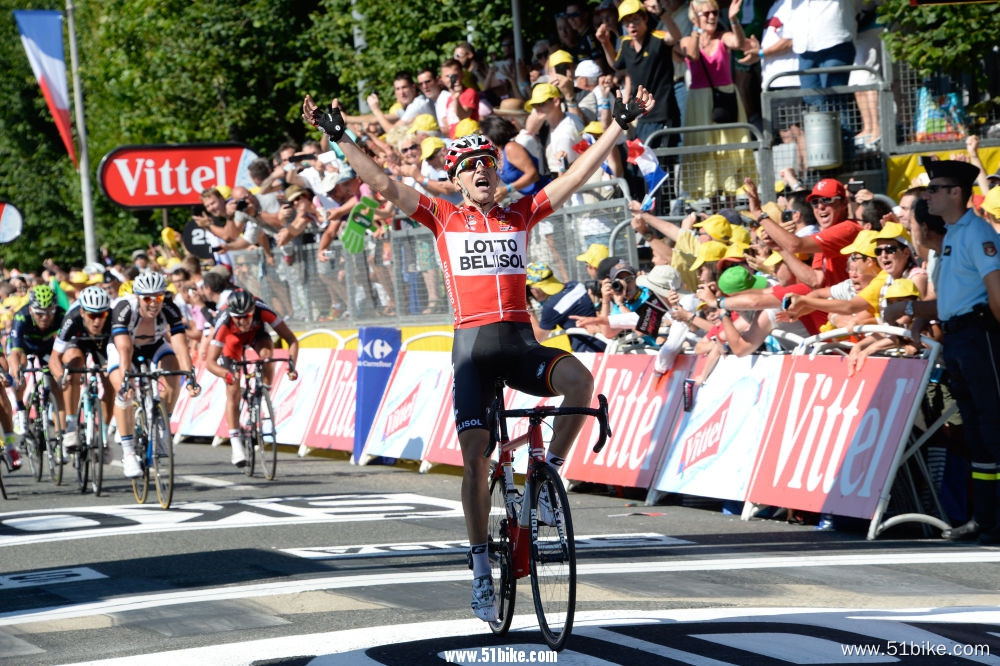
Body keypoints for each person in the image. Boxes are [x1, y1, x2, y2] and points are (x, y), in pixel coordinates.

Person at [303, 82, 653, 622]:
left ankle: (546, 481)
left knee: (581, 384)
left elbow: (576, 176)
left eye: (486, 163)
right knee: (474, 460)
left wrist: (619, 127)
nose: (480, 172)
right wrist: (341, 137)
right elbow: (381, 181)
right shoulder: (444, 217)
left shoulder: (521, 214)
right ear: (457, 179)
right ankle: (480, 570)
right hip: (470, 351)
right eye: (468, 168)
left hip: (518, 343)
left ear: (497, 170)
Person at [881, 160, 1000, 544]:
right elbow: (951, 301)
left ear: (956, 193)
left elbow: (995, 290)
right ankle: (985, 518)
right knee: (979, 435)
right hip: (961, 338)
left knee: (994, 426)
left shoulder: (977, 233)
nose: (928, 195)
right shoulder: (951, 236)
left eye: (936, 188)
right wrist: (914, 312)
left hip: (981, 337)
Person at [108, 272, 200, 478]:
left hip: (153, 344)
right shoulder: (124, 308)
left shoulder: (169, 308)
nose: (153, 303)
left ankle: (161, 425)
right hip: (124, 347)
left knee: (173, 369)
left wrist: (190, 375)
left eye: (158, 297)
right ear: (138, 297)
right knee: (124, 392)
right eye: (147, 298)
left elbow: (180, 345)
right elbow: (124, 349)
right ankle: (129, 452)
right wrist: (126, 379)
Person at [204, 289, 299, 467]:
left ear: (253, 311)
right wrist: (227, 374)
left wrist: (292, 365)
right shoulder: (224, 321)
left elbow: (291, 339)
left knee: (267, 356)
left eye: (246, 316)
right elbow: (210, 362)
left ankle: (264, 394)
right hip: (232, 341)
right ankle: (236, 444)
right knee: (232, 389)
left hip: (257, 336)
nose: (242, 321)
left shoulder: (264, 311)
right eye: (237, 318)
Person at [678, 0, 754, 200]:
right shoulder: (686, 40)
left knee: (728, 149)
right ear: (696, 17)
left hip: (725, 97)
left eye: (714, 12)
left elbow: (739, 43)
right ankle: (711, 210)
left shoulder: (723, 37)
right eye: (706, 14)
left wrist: (733, 20)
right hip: (699, 102)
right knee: (705, 150)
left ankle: (729, 205)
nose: (712, 17)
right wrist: (696, 28)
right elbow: (692, 54)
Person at [596, 0, 681, 145]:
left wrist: (661, 13)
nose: (631, 25)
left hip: (663, 112)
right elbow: (616, 64)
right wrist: (605, 43)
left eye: (635, 19)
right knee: (642, 163)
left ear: (645, 19)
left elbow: (675, 36)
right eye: (626, 22)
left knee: (664, 163)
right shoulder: (626, 43)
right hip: (641, 114)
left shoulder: (657, 37)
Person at [49, 286, 115, 457]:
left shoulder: (113, 318)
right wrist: (60, 377)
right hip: (77, 342)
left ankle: (103, 437)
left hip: (102, 344)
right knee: (73, 366)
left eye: (102, 315)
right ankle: (71, 427)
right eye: (92, 315)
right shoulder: (72, 319)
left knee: (111, 379)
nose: (97, 321)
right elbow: (54, 358)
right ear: (83, 312)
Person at [9, 285, 69, 455]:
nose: (45, 317)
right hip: (24, 347)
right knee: (18, 369)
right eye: (39, 313)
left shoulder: (61, 314)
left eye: (49, 312)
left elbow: (67, 347)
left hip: (48, 347)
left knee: (58, 389)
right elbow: (15, 351)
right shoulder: (21, 316)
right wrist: (16, 373)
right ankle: (20, 410)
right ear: (30, 309)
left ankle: (60, 440)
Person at [525, 262, 605, 352]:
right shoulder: (575, 285)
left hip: (588, 352)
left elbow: (539, 338)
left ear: (536, 289)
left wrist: (528, 308)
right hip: (604, 343)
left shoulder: (552, 306)